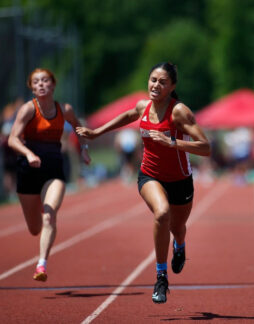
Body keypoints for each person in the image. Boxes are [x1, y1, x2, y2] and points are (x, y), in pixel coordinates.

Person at [76, 62, 211, 304]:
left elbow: (206, 148)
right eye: (153, 80)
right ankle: (161, 277)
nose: (156, 85)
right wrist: (97, 132)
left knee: (177, 229)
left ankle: (179, 245)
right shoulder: (143, 106)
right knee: (162, 213)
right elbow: (129, 115)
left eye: (162, 82)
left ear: (172, 87)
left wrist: (173, 143)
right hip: (150, 175)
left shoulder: (179, 112)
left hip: (180, 180)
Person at [8, 68, 91, 281]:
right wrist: (28, 154)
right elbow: (13, 139)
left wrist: (84, 149)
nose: (42, 84)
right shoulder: (28, 110)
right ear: (32, 87)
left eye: (46, 81)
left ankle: (41, 264)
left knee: (49, 215)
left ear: (53, 85)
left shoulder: (65, 109)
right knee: (35, 228)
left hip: (53, 169)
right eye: (37, 82)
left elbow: (78, 128)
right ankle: (41, 245)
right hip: (28, 170)